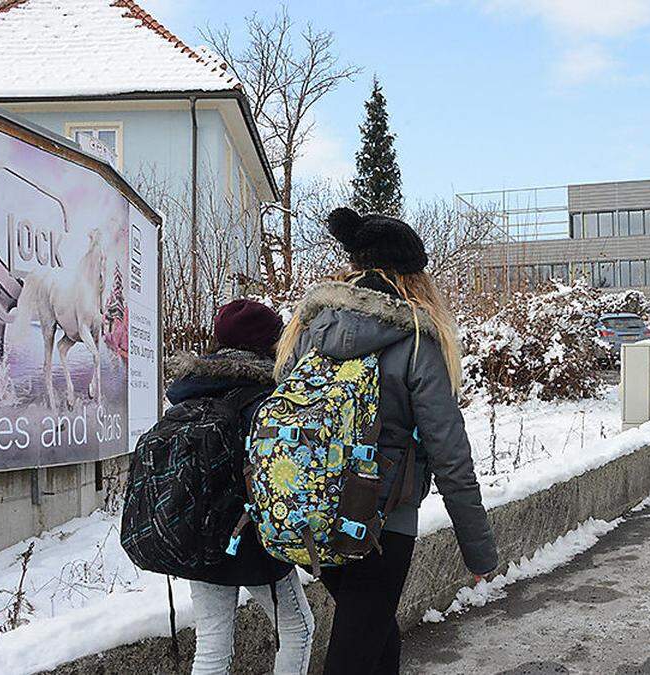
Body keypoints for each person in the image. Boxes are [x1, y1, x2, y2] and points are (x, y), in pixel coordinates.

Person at [274, 206, 499, 674]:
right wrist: (479, 553)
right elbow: (450, 454)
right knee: (357, 648)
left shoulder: (310, 328)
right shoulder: (416, 338)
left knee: (375, 637)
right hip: (383, 522)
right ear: (414, 278)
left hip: (312, 509)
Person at [167, 299, 315, 675]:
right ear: (268, 343)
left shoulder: (190, 392)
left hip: (198, 534)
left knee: (213, 644)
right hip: (253, 539)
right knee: (298, 629)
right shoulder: (270, 398)